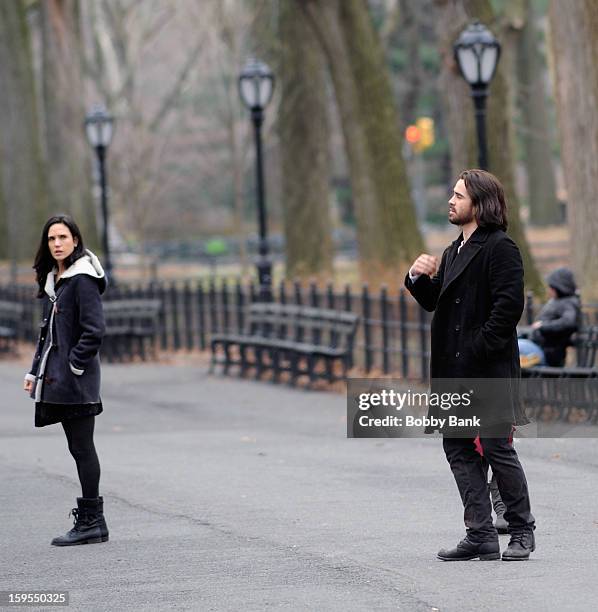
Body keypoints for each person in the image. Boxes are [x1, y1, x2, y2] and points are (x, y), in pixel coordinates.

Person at [405, 169, 535, 561]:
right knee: (459, 449)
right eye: (452, 194)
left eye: (459, 196)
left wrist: (479, 346)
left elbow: (508, 307)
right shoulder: (453, 251)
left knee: (497, 449)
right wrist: (416, 277)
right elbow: (436, 302)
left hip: (487, 370)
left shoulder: (500, 247)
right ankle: (479, 533)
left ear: (480, 204)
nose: (451, 201)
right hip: (454, 372)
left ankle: (521, 530)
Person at [23, 215, 109, 546]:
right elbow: (48, 335)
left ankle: (92, 521)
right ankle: (93, 522)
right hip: (57, 379)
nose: (57, 243)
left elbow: (94, 330)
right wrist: (35, 372)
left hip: (77, 381)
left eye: (63, 237)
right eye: (51, 238)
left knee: (82, 447)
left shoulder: (82, 280)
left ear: (76, 240)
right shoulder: (57, 280)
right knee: (77, 448)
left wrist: (74, 365)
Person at [524, 268, 581, 367]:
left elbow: (568, 322)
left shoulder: (568, 303)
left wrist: (542, 326)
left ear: (559, 288)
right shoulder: (559, 301)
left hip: (548, 353)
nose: (549, 289)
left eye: (552, 287)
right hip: (541, 347)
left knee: (514, 347)